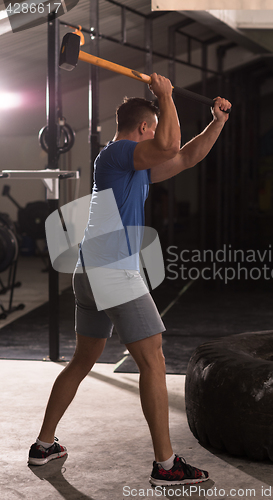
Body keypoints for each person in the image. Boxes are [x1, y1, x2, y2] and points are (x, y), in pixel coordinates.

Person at [28, 73, 231, 486]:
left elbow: (185, 156)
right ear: (143, 129)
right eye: (154, 126)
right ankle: (166, 465)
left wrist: (217, 123)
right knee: (153, 359)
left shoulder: (135, 165)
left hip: (92, 269)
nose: (158, 134)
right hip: (112, 269)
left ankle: (44, 446)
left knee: (83, 360)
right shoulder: (118, 154)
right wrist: (167, 96)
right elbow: (171, 145)